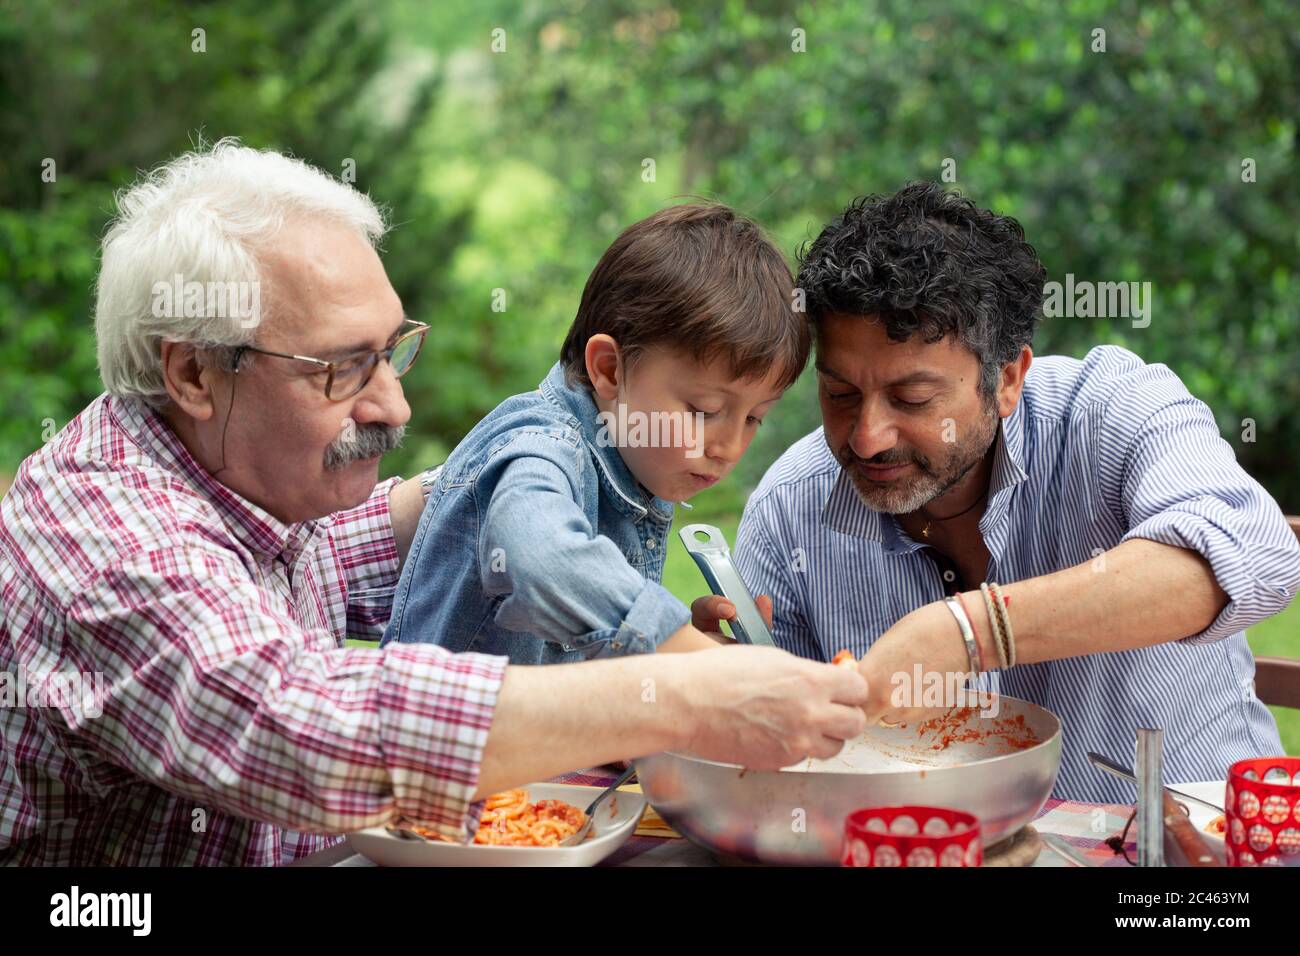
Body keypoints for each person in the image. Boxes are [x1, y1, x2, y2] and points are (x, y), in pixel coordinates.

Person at [0, 140, 869, 865]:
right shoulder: (109, 536)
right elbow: (307, 726)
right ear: (193, 371)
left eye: (392, 352)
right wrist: (686, 690)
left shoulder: (245, 498)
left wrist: (516, 492)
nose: (394, 406)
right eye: (341, 368)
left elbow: (364, 547)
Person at [734, 182, 1300, 802]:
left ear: (1007, 380)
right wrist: (718, 679)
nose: (866, 439)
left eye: (913, 399)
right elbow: (776, 773)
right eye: (840, 394)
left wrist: (969, 632)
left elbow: (1252, 554)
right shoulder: (792, 507)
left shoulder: (1111, 413)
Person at [383, 203, 803, 663]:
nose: (728, 448)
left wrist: (679, 655)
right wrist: (674, 644)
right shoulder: (540, 449)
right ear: (608, 369)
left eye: (754, 418)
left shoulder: (632, 458)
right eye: (705, 411)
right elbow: (545, 559)